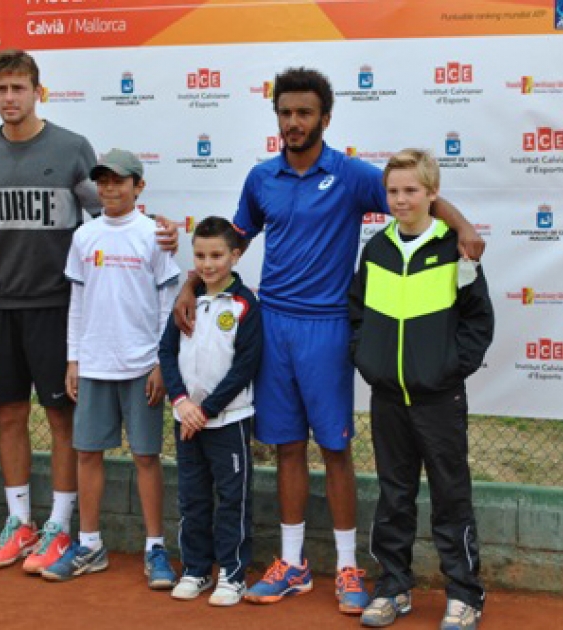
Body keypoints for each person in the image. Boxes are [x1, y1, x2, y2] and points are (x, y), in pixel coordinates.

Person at [173, 67, 485, 615]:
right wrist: (190, 282)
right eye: (285, 113)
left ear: (325, 118)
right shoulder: (261, 178)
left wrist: (463, 227)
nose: (294, 122)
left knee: (335, 448)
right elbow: (233, 242)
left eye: (304, 113)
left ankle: (347, 567)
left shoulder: (349, 174)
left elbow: (417, 198)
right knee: (288, 446)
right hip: (275, 327)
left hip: (328, 328)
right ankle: (292, 564)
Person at [0, 50, 178, 574]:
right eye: (0, 89)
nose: (9, 98)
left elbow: (110, 217)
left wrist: (163, 232)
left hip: (55, 305)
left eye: (18, 88)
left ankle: (61, 526)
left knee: (61, 419)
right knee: (7, 415)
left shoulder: (72, 150)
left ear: (37, 91)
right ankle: (20, 522)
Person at [349, 149, 494, 630]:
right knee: (394, 497)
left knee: (452, 496)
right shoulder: (378, 249)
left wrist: (450, 369)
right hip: (388, 397)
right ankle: (393, 587)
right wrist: (367, 360)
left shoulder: (456, 248)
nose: (401, 199)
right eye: (393, 191)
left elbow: (478, 319)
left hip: (438, 397)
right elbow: (357, 313)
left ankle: (464, 593)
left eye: (411, 190)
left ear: (433, 193)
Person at [41, 148, 180, 587]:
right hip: (95, 363)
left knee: (145, 456)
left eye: (119, 181)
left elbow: (166, 302)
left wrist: (161, 361)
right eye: (103, 181)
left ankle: (155, 548)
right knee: (87, 453)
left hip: (142, 365)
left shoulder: (154, 235)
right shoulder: (85, 236)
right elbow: (77, 302)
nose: (110, 189)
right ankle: (90, 543)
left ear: (139, 187)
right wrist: (73, 358)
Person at [158, 217, 262, 607]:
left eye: (217, 255)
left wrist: (207, 409)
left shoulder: (245, 304)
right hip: (186, 420)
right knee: (193, 498)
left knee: (232, 499)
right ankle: (197, 569)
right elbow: (167, 353)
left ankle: (233, 575)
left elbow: (245, 366)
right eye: (200, 255)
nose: (208, 263)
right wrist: (182, 403)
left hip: (228, 421)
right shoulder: (186, 302)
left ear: (235, 255)